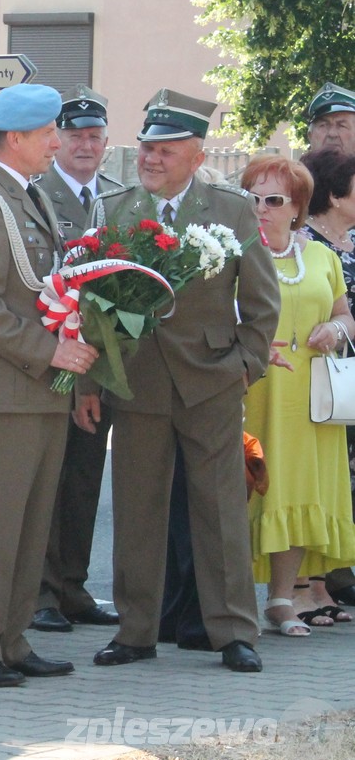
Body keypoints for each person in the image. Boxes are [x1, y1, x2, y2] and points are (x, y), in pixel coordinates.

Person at [75, 88, 280, 674]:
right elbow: (95, 302)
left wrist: (246, 364)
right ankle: (136, 630)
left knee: (219, 510)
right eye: (146, 148)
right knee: (137, 509)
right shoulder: (117, 210)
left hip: (211, 380)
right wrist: (90, 383)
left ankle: (234, 632)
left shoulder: (233, 210)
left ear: (196, 154)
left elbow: (261, 300)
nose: (151, 158)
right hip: (136, 383)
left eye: (165, 149)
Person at [0, 83, 98, 688]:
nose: (57, 143)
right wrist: (49, 350)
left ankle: (11, 637)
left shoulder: (27, 196)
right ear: (16, 139)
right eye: (48, 134)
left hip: (43, 388)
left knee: (33, 523)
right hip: (10, 388)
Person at [240, 155, 355, 634]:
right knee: (251, 489)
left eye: (273, 200)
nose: (261, 208)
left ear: (297, 208)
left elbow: (346, 315)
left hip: (310, 399)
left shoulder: (321, 257)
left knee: (298, 491)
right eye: (252, 198)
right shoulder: (232, 253)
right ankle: (231, 599)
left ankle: (283, 599)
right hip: (253, 394)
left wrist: (333, 326)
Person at [29, 86, 122, 633]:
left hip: (103, 360)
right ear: (56, 140)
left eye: (95, 136)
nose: (85, 145)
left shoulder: (117, 197)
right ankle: (39, 589)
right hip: (51, 360)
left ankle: (72, 586)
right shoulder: (35, 195)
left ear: (106, 143)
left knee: (86, 476)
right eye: (75, 135)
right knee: (48, 477)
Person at [300, 147, 355, 608]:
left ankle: (338, 571)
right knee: (325, 477)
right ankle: (316, 582)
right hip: (329, 378)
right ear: (336, 196)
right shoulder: (311, 246)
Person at [306, 82, 355, 156]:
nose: (332, 134)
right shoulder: (290, 168)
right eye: (323, 125)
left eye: (342, 125)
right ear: (310, 136)